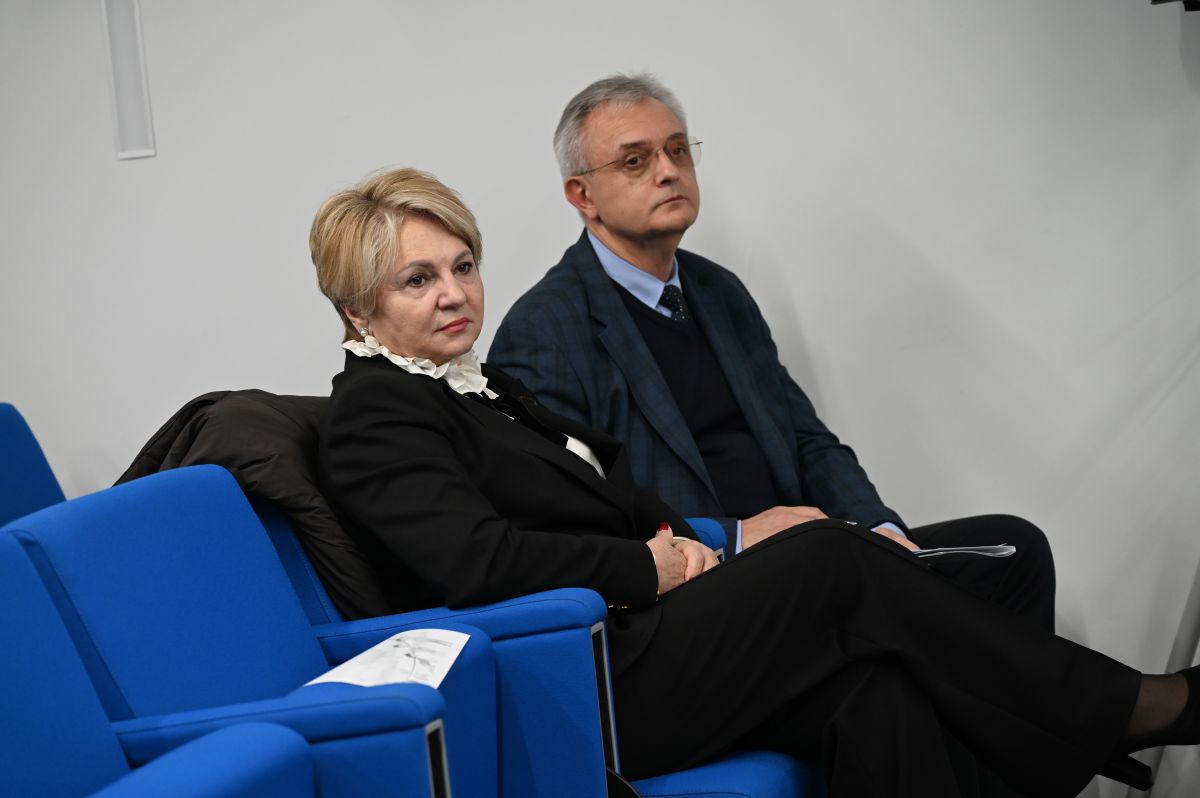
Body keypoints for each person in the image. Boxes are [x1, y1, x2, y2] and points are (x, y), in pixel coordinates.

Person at [310, 166, 1197, 798]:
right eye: (419, 279)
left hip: (648, 631)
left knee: (873, 689)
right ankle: (1127, 707)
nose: (455, 293)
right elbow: (477, 563)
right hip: (582, 673)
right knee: (829, 558)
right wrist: (647, 565)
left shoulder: (477, 384)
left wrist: (684, 541)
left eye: (462, 266)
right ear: (359, 308)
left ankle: (1090, 720)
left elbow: (615, 490)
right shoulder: (376, 411)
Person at [487, 74, 1056, 637]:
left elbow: (806, 439)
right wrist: (733, 536)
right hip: (702, 582)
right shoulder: (544, 328)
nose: (668, 171)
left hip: (810, 549)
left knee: (1013, 548)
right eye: (635, 161)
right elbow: (576, 521)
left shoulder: (718, 290)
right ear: (583, 195)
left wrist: (881, 529)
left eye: (678, 150)